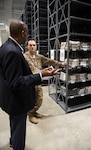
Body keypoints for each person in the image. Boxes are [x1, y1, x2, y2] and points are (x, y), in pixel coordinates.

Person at [0, 20, 59, 150]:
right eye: (26, 33)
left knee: (14, 123)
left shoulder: (5, 47)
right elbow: (15, 82)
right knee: (20, 129)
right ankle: (17, 145)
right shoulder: (13, 52)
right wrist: (40, 75)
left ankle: (12, 141)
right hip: (17, 101)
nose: (27, 36)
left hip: (10, 99)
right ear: (22, 33)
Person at [24, 39, 66, 124]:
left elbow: (49, 61)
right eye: (30, 45)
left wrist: (61, 64)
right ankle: (31, 115)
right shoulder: (23, 57)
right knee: (31, 100)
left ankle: (34, 112)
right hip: (29, 82)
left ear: (36, 46)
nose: (32, 47)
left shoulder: (39, 56)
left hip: (38, 81)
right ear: (27, 46)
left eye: (34, 45)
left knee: (39, 99)